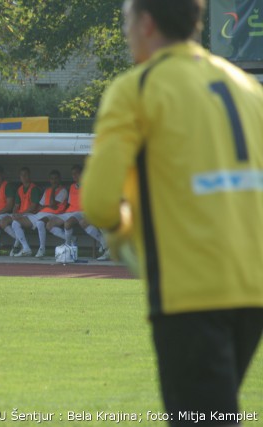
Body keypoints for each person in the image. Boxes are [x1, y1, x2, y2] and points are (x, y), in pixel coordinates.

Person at [81, 0, 263, 424]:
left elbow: (99, 203)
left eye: (127, 21)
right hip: (253, 288)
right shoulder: (248, 88)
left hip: (191, 289)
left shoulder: (138, 88)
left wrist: (124, 234)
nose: (127, 32)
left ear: (146, 23)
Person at [45, 165, 109, 260]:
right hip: (70, 211)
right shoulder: (72, 186)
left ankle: (68, 247)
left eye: (76, 173)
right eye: (73, 174)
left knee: (68, 224)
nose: (74, 175)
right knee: (49, 224)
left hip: (81, 211)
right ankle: (72, 241)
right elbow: (71, 203)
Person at [0, 167, 42, 256]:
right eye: (21, 175)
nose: (23, 177)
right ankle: (19, 239)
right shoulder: (20, 189)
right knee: (3, 221)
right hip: (21, 214)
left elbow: (33, 206)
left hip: (31, 214)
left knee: (15, 222)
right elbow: (16, 205)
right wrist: (15, 213)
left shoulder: (34, 188)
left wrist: (20, 214)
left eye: (25, 175)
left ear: (29, 176)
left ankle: (24, 246)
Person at [25, 169, 68, 258]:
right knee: (17, 221)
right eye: (52, 179)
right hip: (43, 213)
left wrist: (52, 190)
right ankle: (24, 247)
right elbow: (39, 206)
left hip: (57, 214)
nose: (54, 181)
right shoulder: (47, 190)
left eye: (56, 178)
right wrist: (48, 206)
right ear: (49, 180)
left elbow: (53, 204)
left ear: (59, 179)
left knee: (40, 222)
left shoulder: (63, 190)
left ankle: (42, 248)